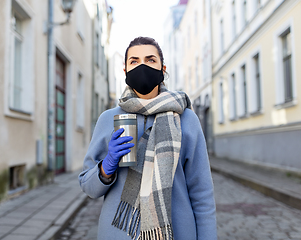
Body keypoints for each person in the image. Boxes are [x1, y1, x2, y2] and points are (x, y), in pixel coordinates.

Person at [79, 36, 217, 240]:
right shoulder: (109, 119)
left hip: (177, 232)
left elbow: (202, 193)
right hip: (119, 233)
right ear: (125, 71)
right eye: (134, 61)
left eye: (150, 60)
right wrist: (106, 168)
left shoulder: (186, 119)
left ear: (163, 69)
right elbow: (88, 187)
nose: (142, 66)